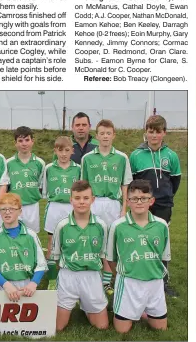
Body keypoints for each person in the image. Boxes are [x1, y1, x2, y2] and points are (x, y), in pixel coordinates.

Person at [106, 180, 171, 333]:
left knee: (160, 329)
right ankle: (132, 310)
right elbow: (111, 259)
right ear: (128, 202)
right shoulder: (118, 226)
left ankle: (144, 310)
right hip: (128, 283)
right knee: (122, 331)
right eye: (134, 199)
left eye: (144, 198)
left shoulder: (161, 225)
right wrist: (123, 275)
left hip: (154, 282)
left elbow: (164, 256)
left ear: (151, 201)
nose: (139, 202)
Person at [130, 115, 182, 297]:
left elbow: (175, 181)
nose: (154, 136)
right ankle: (138, 276)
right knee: (140, 239)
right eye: (151, 132)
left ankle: (163, 281)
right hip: (142, 205)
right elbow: (132, 183)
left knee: (161, 242)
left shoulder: (171, 156)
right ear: (146, 133)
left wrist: (164, 197)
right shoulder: (136, 155)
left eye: (158, 132)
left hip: (163, 205)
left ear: (164, 133)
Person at [81, 119, 132, 294]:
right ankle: (93, 279)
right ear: (96, 136)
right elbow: (84, 185)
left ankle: (109, 281)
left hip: (112, 204)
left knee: (112, 243)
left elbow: (125, 185)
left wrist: (124, 208)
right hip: (94, 203)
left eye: (108, 133)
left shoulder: (122, 157)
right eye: (102, 133)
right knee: (93, 240)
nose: (105, 136)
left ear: (113, 135)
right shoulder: (87, 158)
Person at [52, 180, 109, 332]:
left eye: (85, 198)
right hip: (68, 276)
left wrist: (107, 280)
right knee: (57, 327)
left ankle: (86, 305)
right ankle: (75, 301)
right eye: (77, 198)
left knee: (102, 327)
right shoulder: (62, 225)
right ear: (71, 200)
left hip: (92, 276)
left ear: (92, 199)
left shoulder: (101, 225)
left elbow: (104, 255)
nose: (81, 202)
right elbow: (56, 257)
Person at [0, 193, 47, 301]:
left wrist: (33, 283)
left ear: (20, 211)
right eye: (3, 209)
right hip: (2, 287)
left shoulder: (31, 235)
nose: (7, 212)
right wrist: (6, 285)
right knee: (0, 317)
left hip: (26, 287)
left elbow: (41, 264)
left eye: (12, 209)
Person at [42, 135, 82, 288]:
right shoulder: (49, 168)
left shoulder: (78, 168)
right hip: (54, 207)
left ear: (72, 151)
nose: (64, 154)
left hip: (72, 208)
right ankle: (52, 279)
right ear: (55, 151)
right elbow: (45, 190)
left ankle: (73, 276)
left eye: (67, 150)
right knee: (52, 242)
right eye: (60, 150)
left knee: (73, 241)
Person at [5, 126, 45, 234]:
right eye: (20, 141)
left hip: (32, 206)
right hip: (13, 206)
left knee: (31, 235)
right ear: (15, 143)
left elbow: (41, 185)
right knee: (13, 235)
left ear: (32, 141)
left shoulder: (40, 163)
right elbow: (6, 186)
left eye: (27, 140)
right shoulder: (8, 163)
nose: (24, 143)